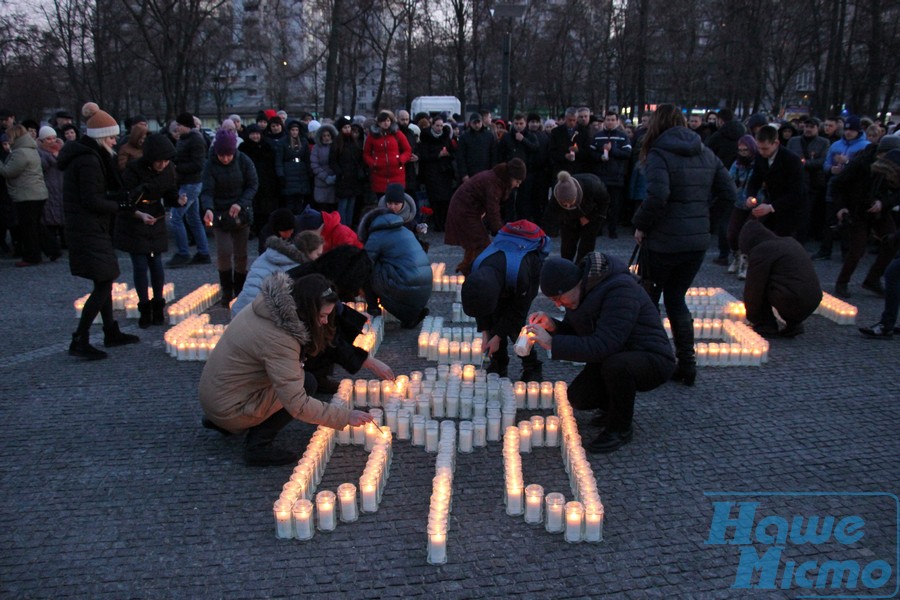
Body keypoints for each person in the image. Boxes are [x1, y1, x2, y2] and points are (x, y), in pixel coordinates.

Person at [199, 272, 376, 466]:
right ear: (308, 310)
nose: (325, 321)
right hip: (229, 408)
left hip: (215, 398)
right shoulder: (281, 339)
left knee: (300, 375)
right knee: (306, 383)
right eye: (323, 316)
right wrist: (345, 416)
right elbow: (296, 403)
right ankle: (258, 445)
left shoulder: (268, 308)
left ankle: (224, 423)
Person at [526, 254, 675, 453]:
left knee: (618, 366)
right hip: (615, 354)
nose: (558, 305)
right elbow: (579, 334)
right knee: (580, 397)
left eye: (558, 298)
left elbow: (605, 344)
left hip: (651, 358)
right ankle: (612, 406)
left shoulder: (620, 290)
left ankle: (620, 429)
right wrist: (554, 326)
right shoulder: (581, 294)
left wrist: (552, 343)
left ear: (574, 284)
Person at [632, 103, 737, 387]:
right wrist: (705, 219)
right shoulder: (706, 152)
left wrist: (641, 224)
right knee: (677, 299)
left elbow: (657, 197)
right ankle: (686, 364)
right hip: (695, 243)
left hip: (663, 243)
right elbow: (729, 193)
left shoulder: (658, 154)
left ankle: (654, 361)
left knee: (648, 301)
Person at [58, 104, 140, 359]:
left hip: (92, 227)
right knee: (104, 281)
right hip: (87, 228)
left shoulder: (91, 157)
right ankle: (80, 339)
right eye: (112, 137)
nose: (116, 141)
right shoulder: (88, 161)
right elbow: (91, 199)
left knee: (104, 279)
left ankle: (110, 331)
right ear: (101, 137)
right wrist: (120, 205)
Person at [286, 246, 395, 393]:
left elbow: (335, 312)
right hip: (285, 354)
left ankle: (319, 374)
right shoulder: (305, 289)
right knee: (332, 327)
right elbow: (326, 338)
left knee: (344, 320)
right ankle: (313, 375)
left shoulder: (320, 276)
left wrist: (353, 317)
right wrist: (368, 361)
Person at [461, 220, 550, 382]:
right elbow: (481, 308)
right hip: (501, 273)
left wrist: (497, 336)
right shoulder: (476, 269)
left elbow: (517, 311)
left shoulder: (522, 274)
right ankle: (498, 362)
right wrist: (486, 333)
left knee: (516, 327)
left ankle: (532, 366)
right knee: (495, 319)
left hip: (525, 268)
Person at [116, 133, 181, 328]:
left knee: (156, 263)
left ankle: (158, 306)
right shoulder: (133, 169)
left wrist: (178, 200)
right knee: (140, 264)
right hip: (135, 218)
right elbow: (125, 200)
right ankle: (144, 307)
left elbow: (170, 193)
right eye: (159, 161)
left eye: (166, 161)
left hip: (156, 216)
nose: (163, 165)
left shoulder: (169, 169)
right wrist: (139, 215)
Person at [832, 139, 900, 298]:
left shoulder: (895, 165)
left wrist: (883, 203)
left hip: (879, 211)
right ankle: (842, 282)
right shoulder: (860, 164)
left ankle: (873, 279)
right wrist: (841, 207)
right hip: (857, 210)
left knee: (893, 241)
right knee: (857, 249)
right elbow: (837, 184)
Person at [200, 129, 259, 307]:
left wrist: (240, 203)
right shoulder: (210, 165)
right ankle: (226, 291)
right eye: (221, 155)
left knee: (241, 254)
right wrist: (208, 209)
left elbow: (252, 184)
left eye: (228, 155)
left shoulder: (244, 161)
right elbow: (207, 191)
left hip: (240, 213)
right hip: (219, 214)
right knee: (224, 252)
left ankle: (239, 290)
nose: (225, 159)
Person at [738, 220, 823, 338]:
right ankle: (794, 325)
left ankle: (766, 326)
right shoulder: (789, 241)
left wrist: (754, 317)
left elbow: (753, 289)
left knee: (763, 286)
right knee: (784, 284)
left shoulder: (762, 250)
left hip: (793, 299)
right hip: (814, 299)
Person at [444, 158, 527, 276]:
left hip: (468, 209)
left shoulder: (497, 179)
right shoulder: (494, 183)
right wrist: (501, 232)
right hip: (464, 210)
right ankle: (476, 273)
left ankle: (468, 269)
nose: (517, 185)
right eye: (517, 181)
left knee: (474, 243)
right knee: (481, 243)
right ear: (510, 176)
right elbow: (493, 210)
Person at [357, 204, 432, 329]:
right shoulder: (404, 230)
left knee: (367, 270)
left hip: (405, 284)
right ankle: (414, 311)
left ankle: (374, 309)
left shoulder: (377, 236)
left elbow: (364, 263)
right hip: (425, 285)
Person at [231, 229, 323, 318]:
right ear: (307, 251)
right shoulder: (299, 269)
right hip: (259, 313)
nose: (319, 259)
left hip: (240, 309)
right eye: (318, 255)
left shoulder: (269, 254)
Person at [0, 124, 49, 267]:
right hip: (36, 192)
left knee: (28, 228)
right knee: (35, 225)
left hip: (27, 194)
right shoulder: (30, 149)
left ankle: (32, 256)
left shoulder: (20, 152)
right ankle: (52, 249)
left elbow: (9, 171)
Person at [745, 125, 805, 239]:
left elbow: (797, 192)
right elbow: (755, 179)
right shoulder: (760, 156)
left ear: (776, 143)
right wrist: (750, 195)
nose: (762, 152)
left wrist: (771, 207)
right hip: (772, 202)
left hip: (790, 209)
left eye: (765, 149)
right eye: (759, 148)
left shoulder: (792, 160)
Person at [169, 112, 212, 267]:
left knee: (176, 217)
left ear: (186, 125)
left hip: (191, 183)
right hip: (188, 182)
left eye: (179, 125)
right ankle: (203, 252)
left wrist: (177, 168)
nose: (177, 128)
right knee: (193, 219)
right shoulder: (186, 138)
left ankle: (183, 253)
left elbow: (198, 164)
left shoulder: (195, 140)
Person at [552, 170, 609, 264]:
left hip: (593, 212)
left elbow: (603, 205)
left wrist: (588, 217)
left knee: (586, 245)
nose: (568, 206)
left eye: (570, 203)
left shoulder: (594, 187)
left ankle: (581, 268)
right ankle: (566, 267)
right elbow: (551, 214)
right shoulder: (557, 193)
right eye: (564, 204)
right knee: (567, 244)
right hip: (569, 217)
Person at [725, 135, 759, 279]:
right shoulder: (737, 164)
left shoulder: (758, 164)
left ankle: (745, 262)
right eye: (741, 150)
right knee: (732, 233)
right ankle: (736, 257)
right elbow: (729, 178)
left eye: (746, 150)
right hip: (739, 202)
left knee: (746, 233)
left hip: (755, 204)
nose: (743, 153)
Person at [363, 110, 412, 197]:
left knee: (396, 201)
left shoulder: (397, 134)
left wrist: (400, 160)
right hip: (379, 174)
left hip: (397, 173)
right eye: (383, 121)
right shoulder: (372, 136)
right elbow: (366, 153)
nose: (385, 123)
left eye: (388, 121)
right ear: (378, 123)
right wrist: (373, 163)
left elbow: (407, 150)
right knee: (382, 202)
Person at [330, 116, 367, 228]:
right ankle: (342, 227)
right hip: (343, 178)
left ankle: (349, 226)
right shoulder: (337, 143)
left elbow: (359, 158)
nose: (348, 130)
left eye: (349, 127)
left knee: (351, 204)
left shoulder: (354, 143)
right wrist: (340, 173)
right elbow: (332, 161)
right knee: (343, 204)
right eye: (345, 127)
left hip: (354, 178)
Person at [310, 123, 338, 212]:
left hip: (335, 182)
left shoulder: (336, 147)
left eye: (328, 135)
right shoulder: (316, 147)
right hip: (321, 182)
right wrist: (325, 177)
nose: (326, 138)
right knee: (322, 209)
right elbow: (314, 164)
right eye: (324, 136)